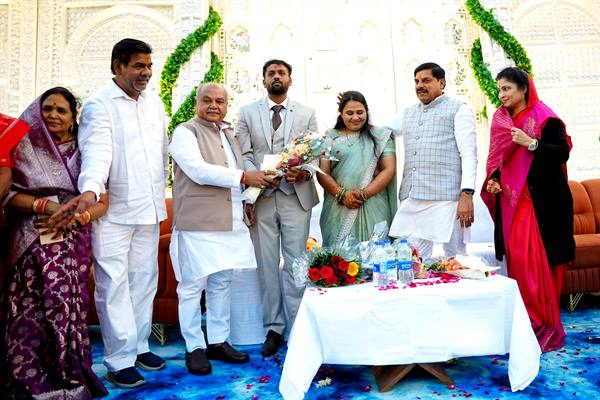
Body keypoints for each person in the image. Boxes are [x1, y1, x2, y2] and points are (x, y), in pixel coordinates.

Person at [53, 38, 169, 388]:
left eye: (149, 65)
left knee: (144, 281)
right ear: (118, 66)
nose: (146, 72)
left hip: (149, 208)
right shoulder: (99, 105)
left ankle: (139, 346)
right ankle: (119, 360)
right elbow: (96, 153)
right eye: (138, 65)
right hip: (114, 212)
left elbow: (162, 151)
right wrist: (90, 191)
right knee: (113, 284)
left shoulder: (154, 103)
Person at [2, 87, 108, 399]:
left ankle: (68, 375)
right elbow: (7, 193)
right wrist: (45, 206)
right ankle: (26, 379)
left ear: (73, 118)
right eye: (47, 108)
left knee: (65, 308)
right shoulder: (24, 146)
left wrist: (77, 218)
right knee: (27, 309)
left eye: (61, 110)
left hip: (70, 243)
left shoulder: (87, 153)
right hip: (30, 239)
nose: (52, 115)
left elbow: (103, 201)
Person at [169, 83, 273, 374]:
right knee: (192, 286)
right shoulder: (185, 132)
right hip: (198, 222)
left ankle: (217, 340)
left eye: (220, 101)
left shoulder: (228, 134)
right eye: (207, 100)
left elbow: (236, 178)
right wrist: (244, 177)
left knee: (222, 283)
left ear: (227, 106)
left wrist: (246, 201)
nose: (214, 106)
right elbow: (197, 170)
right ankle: (194, 347)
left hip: (230, 221)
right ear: (196, 103)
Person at [483, 67, 574, 352]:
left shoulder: (545, 117)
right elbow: (499, 161)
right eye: (499, 89)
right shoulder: (501, 121)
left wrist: (531, 142)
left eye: (507, 88)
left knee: (539, 264)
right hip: (512, 203)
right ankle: (524, 323)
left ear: (523, 89)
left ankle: (542, 325)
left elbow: (562, 152)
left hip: (541, 204)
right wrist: (495, 180)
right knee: (519, 262)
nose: (502, 95)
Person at [236, 59, 319, 356]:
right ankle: (274, 328)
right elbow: (242, 153)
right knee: (267, 264)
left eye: (281, 72)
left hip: (295, 197)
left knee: (297, 263)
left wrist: (304, 172)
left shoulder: (307, 113)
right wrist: (256, 176)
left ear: (290, 79)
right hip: (261, 197)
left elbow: (314, 153)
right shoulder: (247, 113)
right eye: (271, 73)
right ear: (263, 80)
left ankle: (298, 327)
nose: (276, 76)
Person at [388, 62, 477, 259]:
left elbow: (469, 153)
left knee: (456, 259)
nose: (420, 85)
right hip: (414, 197)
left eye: (426, 80)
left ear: (441, 83)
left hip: (448, 198)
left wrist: (467, 193)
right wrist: (356, 111)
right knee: (414, 260)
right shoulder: (409, 113)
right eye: (417, 81)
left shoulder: (458, 109)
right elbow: (381, 131)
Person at [317, 91, 397, 246]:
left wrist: (363, 194)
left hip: (373, 203)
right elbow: (322, 172)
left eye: (360, 112)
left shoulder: (380, 136)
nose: (355, 117)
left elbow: (389, 170)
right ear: (341, 114)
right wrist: (342, 194)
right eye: (349, 113)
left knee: (375, 253)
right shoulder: (330, 137)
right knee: (338, 257)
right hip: (338, 206)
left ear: (367, 111)